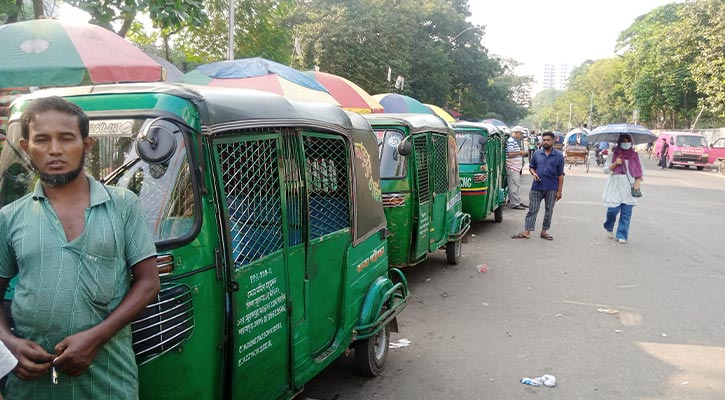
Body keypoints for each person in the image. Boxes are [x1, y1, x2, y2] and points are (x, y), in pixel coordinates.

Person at [0, 96, 160, 399]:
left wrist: (96, 338)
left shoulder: (123, 205)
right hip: (31, 384)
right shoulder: (10, 217)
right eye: (42, 140)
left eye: (66, 138)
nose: (55, 150)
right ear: (26, 148)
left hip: (108, 380)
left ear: (86, 146)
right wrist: (10, 343)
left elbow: (149, 283)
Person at [511, 131, 565, 240]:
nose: (545, 142)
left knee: (549, 211)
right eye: (543, 140)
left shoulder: (559, 156)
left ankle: (544, 231)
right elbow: (531, 167)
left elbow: (561, 175)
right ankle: (527, 231)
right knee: (532, 209)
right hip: (537, 187)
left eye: (548, 140)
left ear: (553, 141)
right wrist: (533, 173)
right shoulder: (537, 154)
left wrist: (559, 191)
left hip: (552, 188)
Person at [602, 133, 643, 244]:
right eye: (623, 141)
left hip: (629, 187)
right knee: (612, 211)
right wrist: (616, 163)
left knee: (626, 213)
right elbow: (606, 170)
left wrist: (638, 182)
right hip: (615, 186)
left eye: (627, 141)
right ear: (619, 142)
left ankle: (622, 235)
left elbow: (640, 172)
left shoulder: (636, 155)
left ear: (631, 142)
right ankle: (608, 226)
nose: (626, 143)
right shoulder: (614, 154)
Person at [506, 126, 529, 210]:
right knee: (514, 185)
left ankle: (518, 201)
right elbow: (510, 154)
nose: (521, 135)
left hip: (515, 167)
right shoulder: (511, 141)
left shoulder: (513, 141)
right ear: (516, 132)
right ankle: (515, 203)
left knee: (516, 185)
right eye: (520, 133)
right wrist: (520, 153)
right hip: (512, 167)